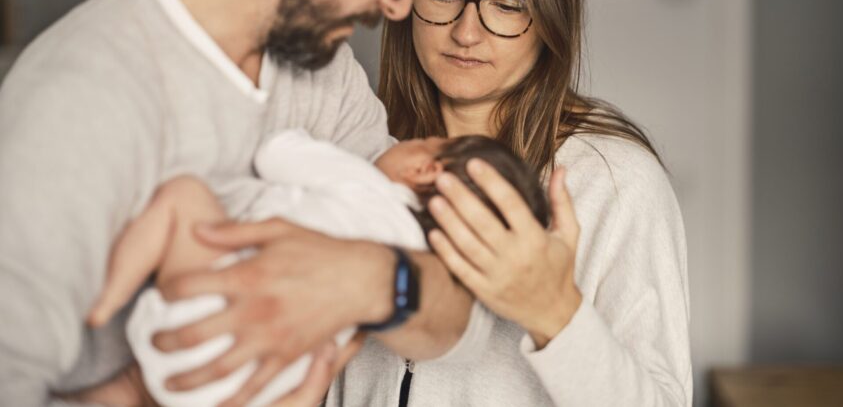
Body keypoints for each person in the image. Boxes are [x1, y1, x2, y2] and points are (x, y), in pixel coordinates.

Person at [0, 0, 512, 405]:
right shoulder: (75, 104)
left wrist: (367, 278)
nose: (396, 6)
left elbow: (457, 325)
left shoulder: (319, 71)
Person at [328, 0, 692, 405]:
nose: (466, 31)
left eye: (507, 4)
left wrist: (554, 314)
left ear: (550, 18)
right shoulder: (359, 152)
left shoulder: (615, 182)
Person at [84, 131, 548, 407]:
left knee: (183, 195)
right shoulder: (415, 259)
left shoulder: (364, 185)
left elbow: (277, 150)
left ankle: (105, 302)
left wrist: (321, 151)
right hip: (260, 388)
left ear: (425, 167)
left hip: (204, 312)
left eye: (422, 140)